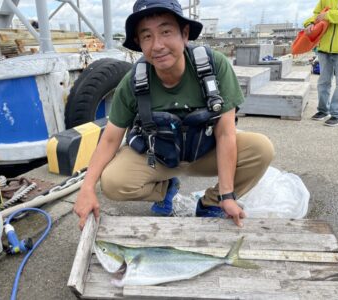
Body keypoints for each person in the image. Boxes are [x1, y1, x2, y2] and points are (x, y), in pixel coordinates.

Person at [73, 0, 274, 229]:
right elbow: (110, 139)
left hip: (204, 152)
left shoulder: (214, 65)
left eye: (166, 31)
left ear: (185, 34)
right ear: (139, 43)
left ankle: (210, 204)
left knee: (261, 149)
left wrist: (227, 196)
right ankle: (166, 188)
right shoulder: (133, 80)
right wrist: (87, 188)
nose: (157, 45)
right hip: (158, 156)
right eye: (147, 36)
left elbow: (226, 133)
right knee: (112, 182)